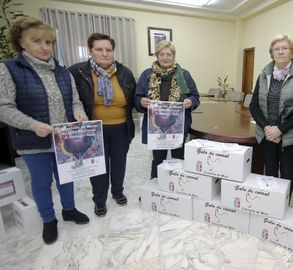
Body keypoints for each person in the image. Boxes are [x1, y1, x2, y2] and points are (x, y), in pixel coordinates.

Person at [0, 17, 89, 244]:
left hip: (64, 139)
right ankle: (49, 220)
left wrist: (79, 113)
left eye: (49, 42)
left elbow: (75, 101)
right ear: (21, 42)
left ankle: (69, 209)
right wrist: (33, 125)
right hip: (33, 139)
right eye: (37, 41)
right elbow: (4, 108)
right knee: (41, 182)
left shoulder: (62, 72)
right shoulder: (9, 69)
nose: (44, 47)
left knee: (66, 178)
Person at [69, 33, 136, 217]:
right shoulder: (78, 72)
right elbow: (71, 99)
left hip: (121, 127)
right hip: (93, 129)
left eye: (109, 49)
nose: (105, 53)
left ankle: (117, 191)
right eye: (99, 49)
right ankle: (99, 200)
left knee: (119, 162)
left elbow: (134, 99)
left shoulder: (124, 72)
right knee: (98, 165)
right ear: (91, 51)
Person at [250, 34, 293, 199]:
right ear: (272, 53)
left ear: (292, 52)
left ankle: (284, 207)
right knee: (270, 172)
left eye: (285, 48)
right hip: (267, 133)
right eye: (276, 49)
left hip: (289, 134)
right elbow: (254, 105)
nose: (280, 52)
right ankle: (271, 205)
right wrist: (268, 129)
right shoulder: (264, 74)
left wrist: (280, 129)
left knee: (286, 174)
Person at [135, 40, 200, 179]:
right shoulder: (147, 75)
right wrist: (141, 101)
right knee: (158, 160)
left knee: (179, 159)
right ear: (157, 56)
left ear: (174, 56)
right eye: (161, 54)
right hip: (156, 127)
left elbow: (195, 97)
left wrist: (191, 101)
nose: (165, 57)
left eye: (169, 54)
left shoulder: (184, 75)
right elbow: (137, 98)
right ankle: (154, 189)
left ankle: (178, 188)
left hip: (178, 126)